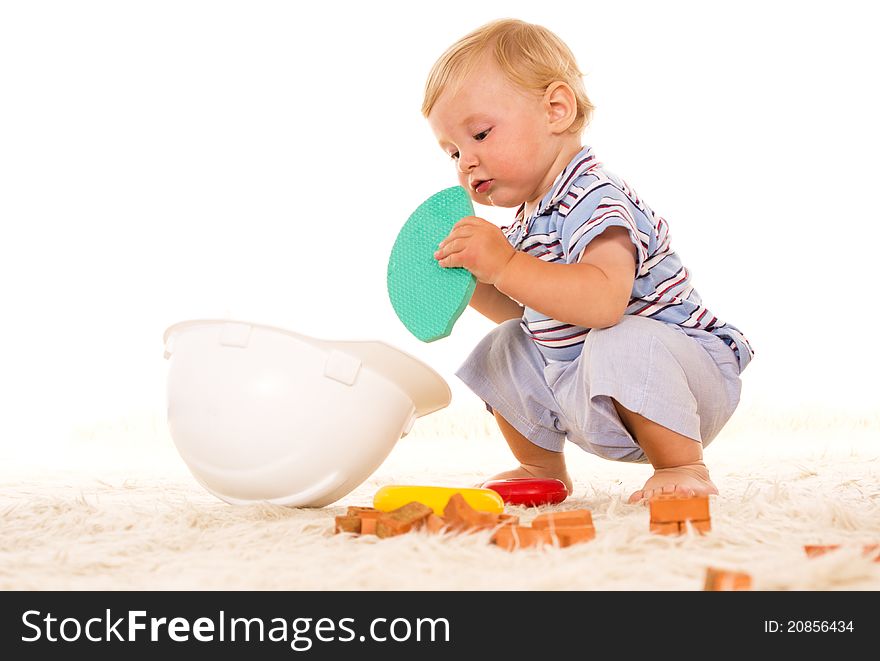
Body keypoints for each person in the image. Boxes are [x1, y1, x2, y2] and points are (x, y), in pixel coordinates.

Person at [424, 18, 753, 503]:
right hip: (586, 386)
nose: (465, 161)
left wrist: (505, 266)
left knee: (622, 336)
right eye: (452, 151)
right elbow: (530, 312)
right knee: (506, 344)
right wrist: (475, 280)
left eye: (480, 134)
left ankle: (683, 466)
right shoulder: (528, 220)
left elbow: (602, 304)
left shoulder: (593, 197)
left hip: (683, 384)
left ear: (556, 109)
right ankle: (539, 467)